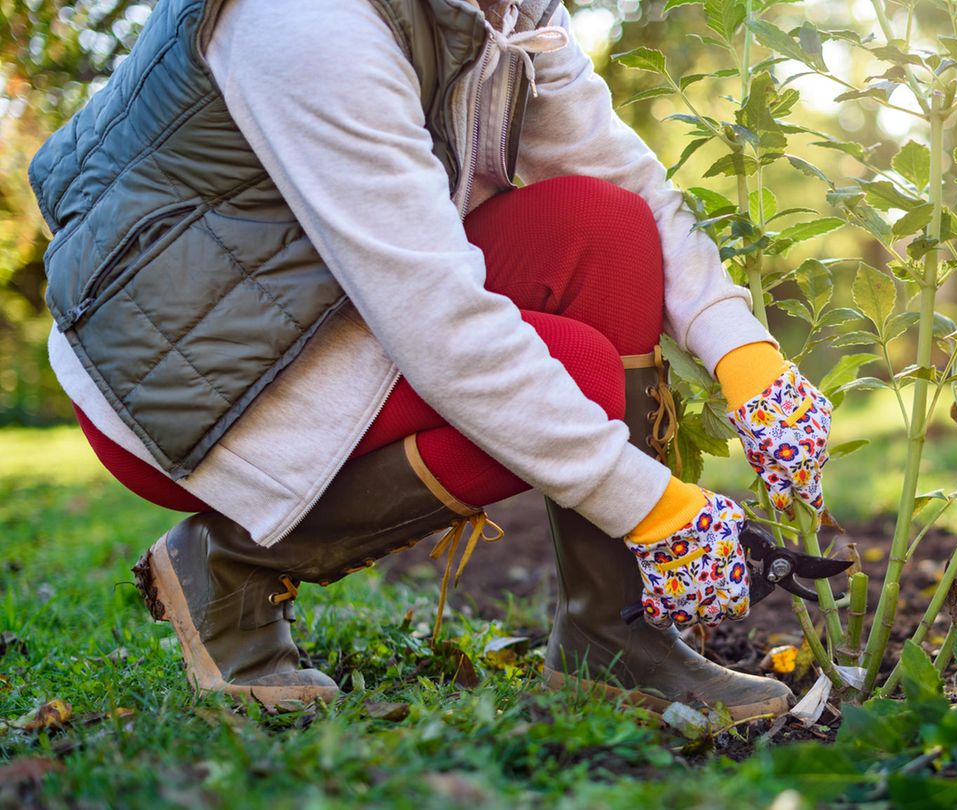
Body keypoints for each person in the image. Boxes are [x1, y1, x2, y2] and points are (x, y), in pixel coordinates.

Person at [29, 0, 831, 722]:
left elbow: (624, 179)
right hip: (188, 369)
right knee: (575, 374)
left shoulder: (506, 9)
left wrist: (746, 357)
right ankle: (229, 562)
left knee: (605, 229)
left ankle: (611, 640)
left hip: (332, 299)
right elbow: (442, 327)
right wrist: (654, 509)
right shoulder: (305, 23)